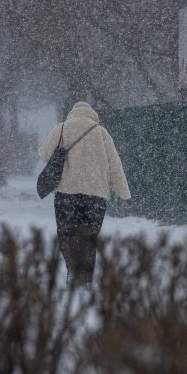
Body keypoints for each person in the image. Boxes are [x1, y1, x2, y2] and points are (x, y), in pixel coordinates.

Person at [38, 101, 131, 287]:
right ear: (92, 114)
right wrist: (123, 192)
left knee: (67, 233)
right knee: (89, 235)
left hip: (66, 193)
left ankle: (72, 269)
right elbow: (115, 164)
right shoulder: (101, 133)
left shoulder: (62, 129)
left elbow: (44, 153)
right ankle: (86, 278)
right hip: (95, 195)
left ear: (73, 113)